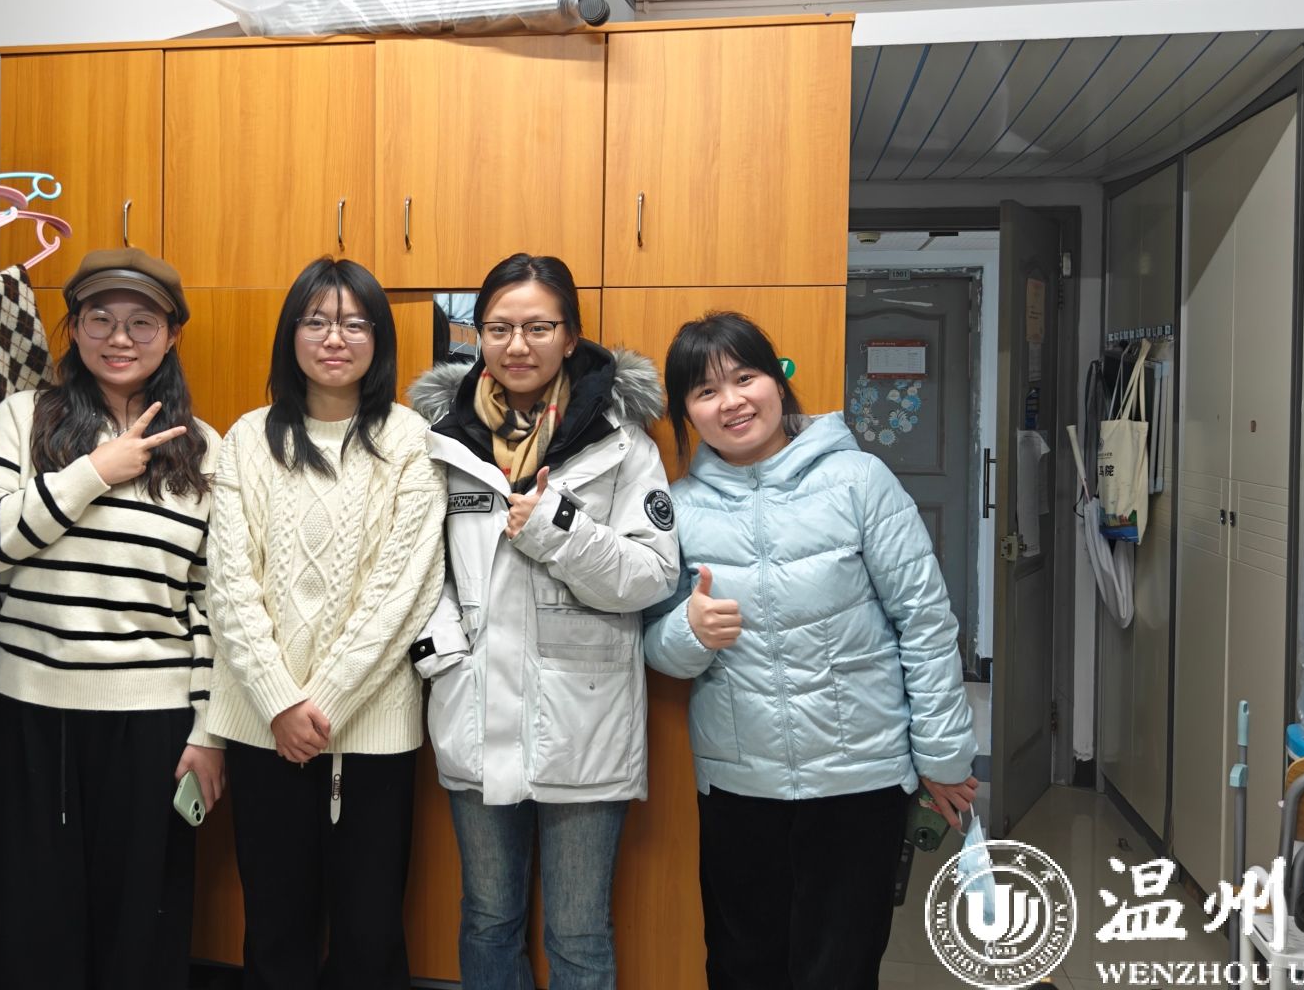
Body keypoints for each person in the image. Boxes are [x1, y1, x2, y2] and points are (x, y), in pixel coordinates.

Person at [643, 311, 979, 990]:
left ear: (778, 380)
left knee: (840, 971)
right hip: (740, 786)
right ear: (686, 412)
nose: (731, 402)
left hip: (859, 782)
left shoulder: (859, 481)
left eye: (745, 378)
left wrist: (943, 757)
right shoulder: (678, 508)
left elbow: (924, 620)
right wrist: (690, 631)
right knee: (741, 969)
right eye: (706, 391)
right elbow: (654, 646)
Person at [407, 253, 681, 990]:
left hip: (583, 721)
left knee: (580, 933)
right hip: (473, 706)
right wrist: (441, 654)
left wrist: (557, 528)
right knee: (486, 919)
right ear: (478, 335)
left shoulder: (621, 444)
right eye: (499, 328)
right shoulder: (441, 441)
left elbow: (652, 575)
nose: (517, 345)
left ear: (570, 336)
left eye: (537, 327)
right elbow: (415, 567)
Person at [0, 248, 223, 990]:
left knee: (140, 935)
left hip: (155, 727)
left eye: (142, 323)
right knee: (31, 934)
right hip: (34, 719)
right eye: (100, 319)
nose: (120, 338)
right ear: (73, 328)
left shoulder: (204, 450)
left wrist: (208, 733)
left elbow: (211, 605)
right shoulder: (23, 418)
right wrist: (92, 474)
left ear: (171, 335)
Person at [204, 257, 447, 990]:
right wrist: (280, 701)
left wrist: (327, 701)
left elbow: (404, 591)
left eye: (352, 322)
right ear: (291, 335)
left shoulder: (410, 439)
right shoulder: (249, 438)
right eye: (316, 321)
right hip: (263, 727)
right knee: (275, 932)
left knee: (370, 936)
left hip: (373, 731)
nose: (334, 338)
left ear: (379, 338)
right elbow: (229, 584)